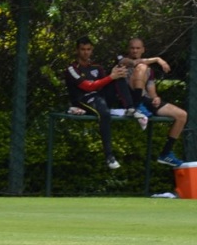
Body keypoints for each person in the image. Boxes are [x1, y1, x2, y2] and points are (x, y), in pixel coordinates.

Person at [64, 36, 146, 170]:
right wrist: (110, 77)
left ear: (92, 50)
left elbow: (105, 83)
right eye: (83, 49)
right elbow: (88, 87)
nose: (86, 52)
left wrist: (113, 76)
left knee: (119, 75)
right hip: (83, 100)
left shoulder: (97, 67)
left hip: (99, 97)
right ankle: (109, 156)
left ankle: (131, 108)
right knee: (105, 113)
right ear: (77, 50)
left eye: (88, 49)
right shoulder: (72, 68)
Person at [120, 38, 186, 167]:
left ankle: (166, 153)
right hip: (128, 99)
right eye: (132, 48)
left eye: (138, 48)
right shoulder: (122, 60)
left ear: (143, 49)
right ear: (128, 49)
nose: (135, 50)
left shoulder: (149, 70)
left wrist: (156, 98)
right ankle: (137, 106)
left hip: (144, 99)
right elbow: (135, 63)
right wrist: (158, 59)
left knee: (182, 115)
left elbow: (151, 92)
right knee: (141, 66)